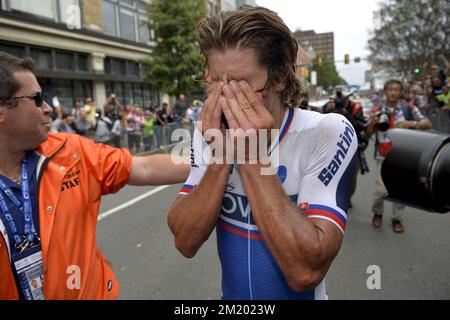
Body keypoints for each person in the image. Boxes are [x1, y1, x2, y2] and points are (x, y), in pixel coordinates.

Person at [167, 6, 357, 300]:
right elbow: (185, 240)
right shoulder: (207, 131)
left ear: (280, 77)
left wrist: (251, 155)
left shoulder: (326, 131)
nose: (228, 98)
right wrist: (222, 156)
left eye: (243, 85)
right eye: (217, 83)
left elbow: (305, 271)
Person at [0, 52, 189, 299]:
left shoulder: (71, 151)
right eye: (36, 99)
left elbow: (142, 167)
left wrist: (216, 161)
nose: (47, 108)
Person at [367, 79, 432, 233]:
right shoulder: (377, 109)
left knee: (401, 190)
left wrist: (411, 124)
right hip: (382, 155)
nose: (394, 92)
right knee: (379, 191)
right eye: (391, 90)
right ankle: (378, 213)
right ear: (385, 92)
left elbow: (427, 123)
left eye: (397, 90)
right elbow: (368, 133)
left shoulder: (408, 108)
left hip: (404, 157)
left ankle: (397, 219)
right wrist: (372, 124)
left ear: (401, 92)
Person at [322, 90, 370, 209]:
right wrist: (326, 108)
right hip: (332, 145)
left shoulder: (355, 107)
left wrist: (346, 113)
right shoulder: (331, 106)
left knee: (351, 176)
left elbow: (359, 126)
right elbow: (321, 117)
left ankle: (347, 199)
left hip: (354, 147)